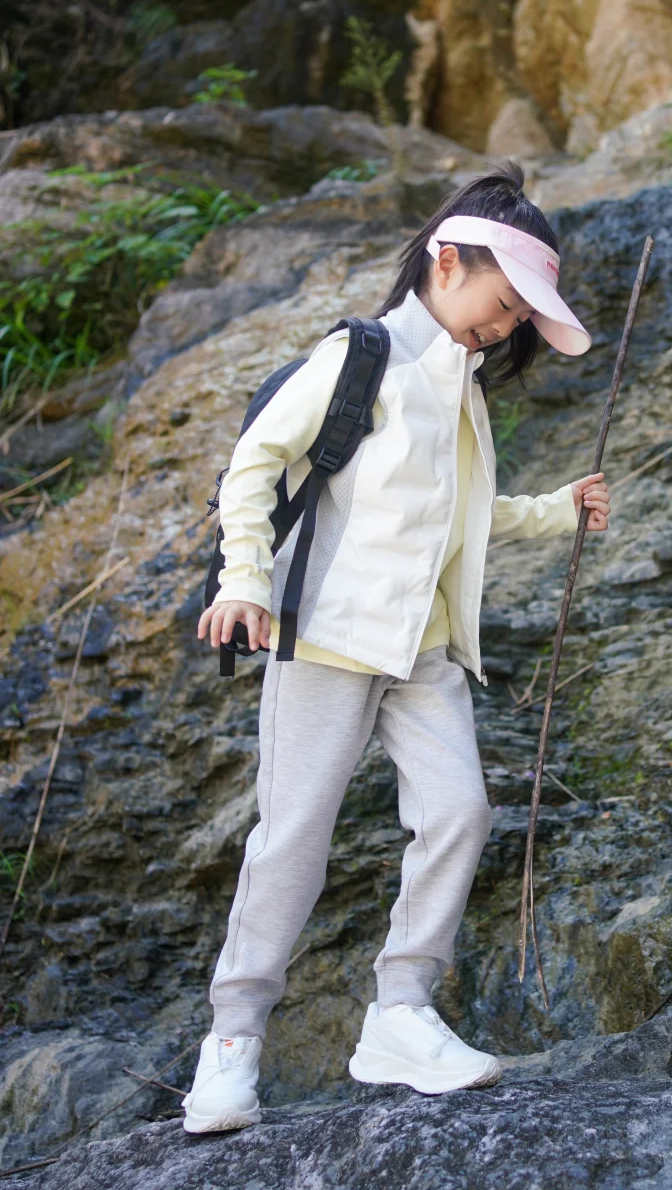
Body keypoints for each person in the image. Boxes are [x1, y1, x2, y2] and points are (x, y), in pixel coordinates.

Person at [182, 161, 611, 1132]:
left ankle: (401, 1013)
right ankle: (232, 1043)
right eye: (504, 304)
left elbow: (464, 513)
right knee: (294, 839)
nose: (506, 328)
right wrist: (244, 578)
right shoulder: (362, 356)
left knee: (461, 810)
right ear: (446, 261)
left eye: (520, 318)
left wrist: (558, 510)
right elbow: (254, 461)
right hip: (329, 641)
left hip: (424, 652)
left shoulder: (464, 390)